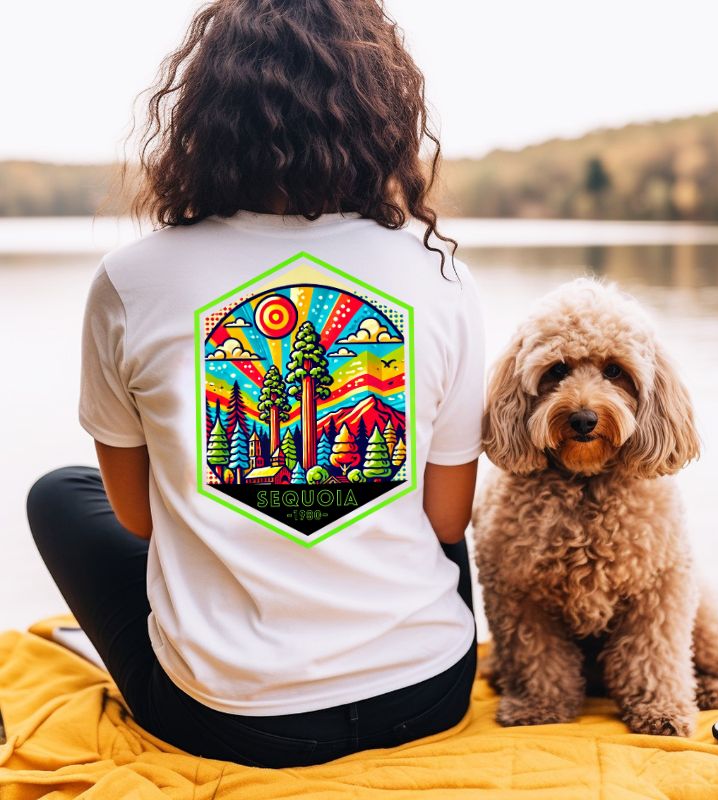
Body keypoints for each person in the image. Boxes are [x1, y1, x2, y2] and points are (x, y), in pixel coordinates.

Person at [26, 0, 484, 769]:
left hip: (236, 724)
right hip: (429, 695)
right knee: (432, 480)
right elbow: (446, 520)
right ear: (382, 115)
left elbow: (137, 519)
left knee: (58, 493)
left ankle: (235, 626)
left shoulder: (132, 281)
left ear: (205, 118)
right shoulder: (440, 276)